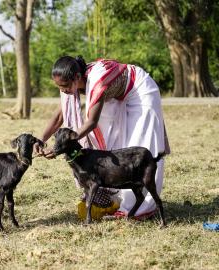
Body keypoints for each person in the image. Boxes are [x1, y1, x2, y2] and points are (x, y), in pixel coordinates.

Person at [35, 55, 170, 219]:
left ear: (77, 77)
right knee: (109, 145)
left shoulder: (97, 82)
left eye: (64, 86)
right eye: (59, 87)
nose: (62, 91)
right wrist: (41, 140)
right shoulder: (72, 82)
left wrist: (64, 143)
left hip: (141, 91)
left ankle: (141, 210)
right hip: (117, 95)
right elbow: (59, 117)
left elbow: (91, 122)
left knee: (141, 143)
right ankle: (116, 198)